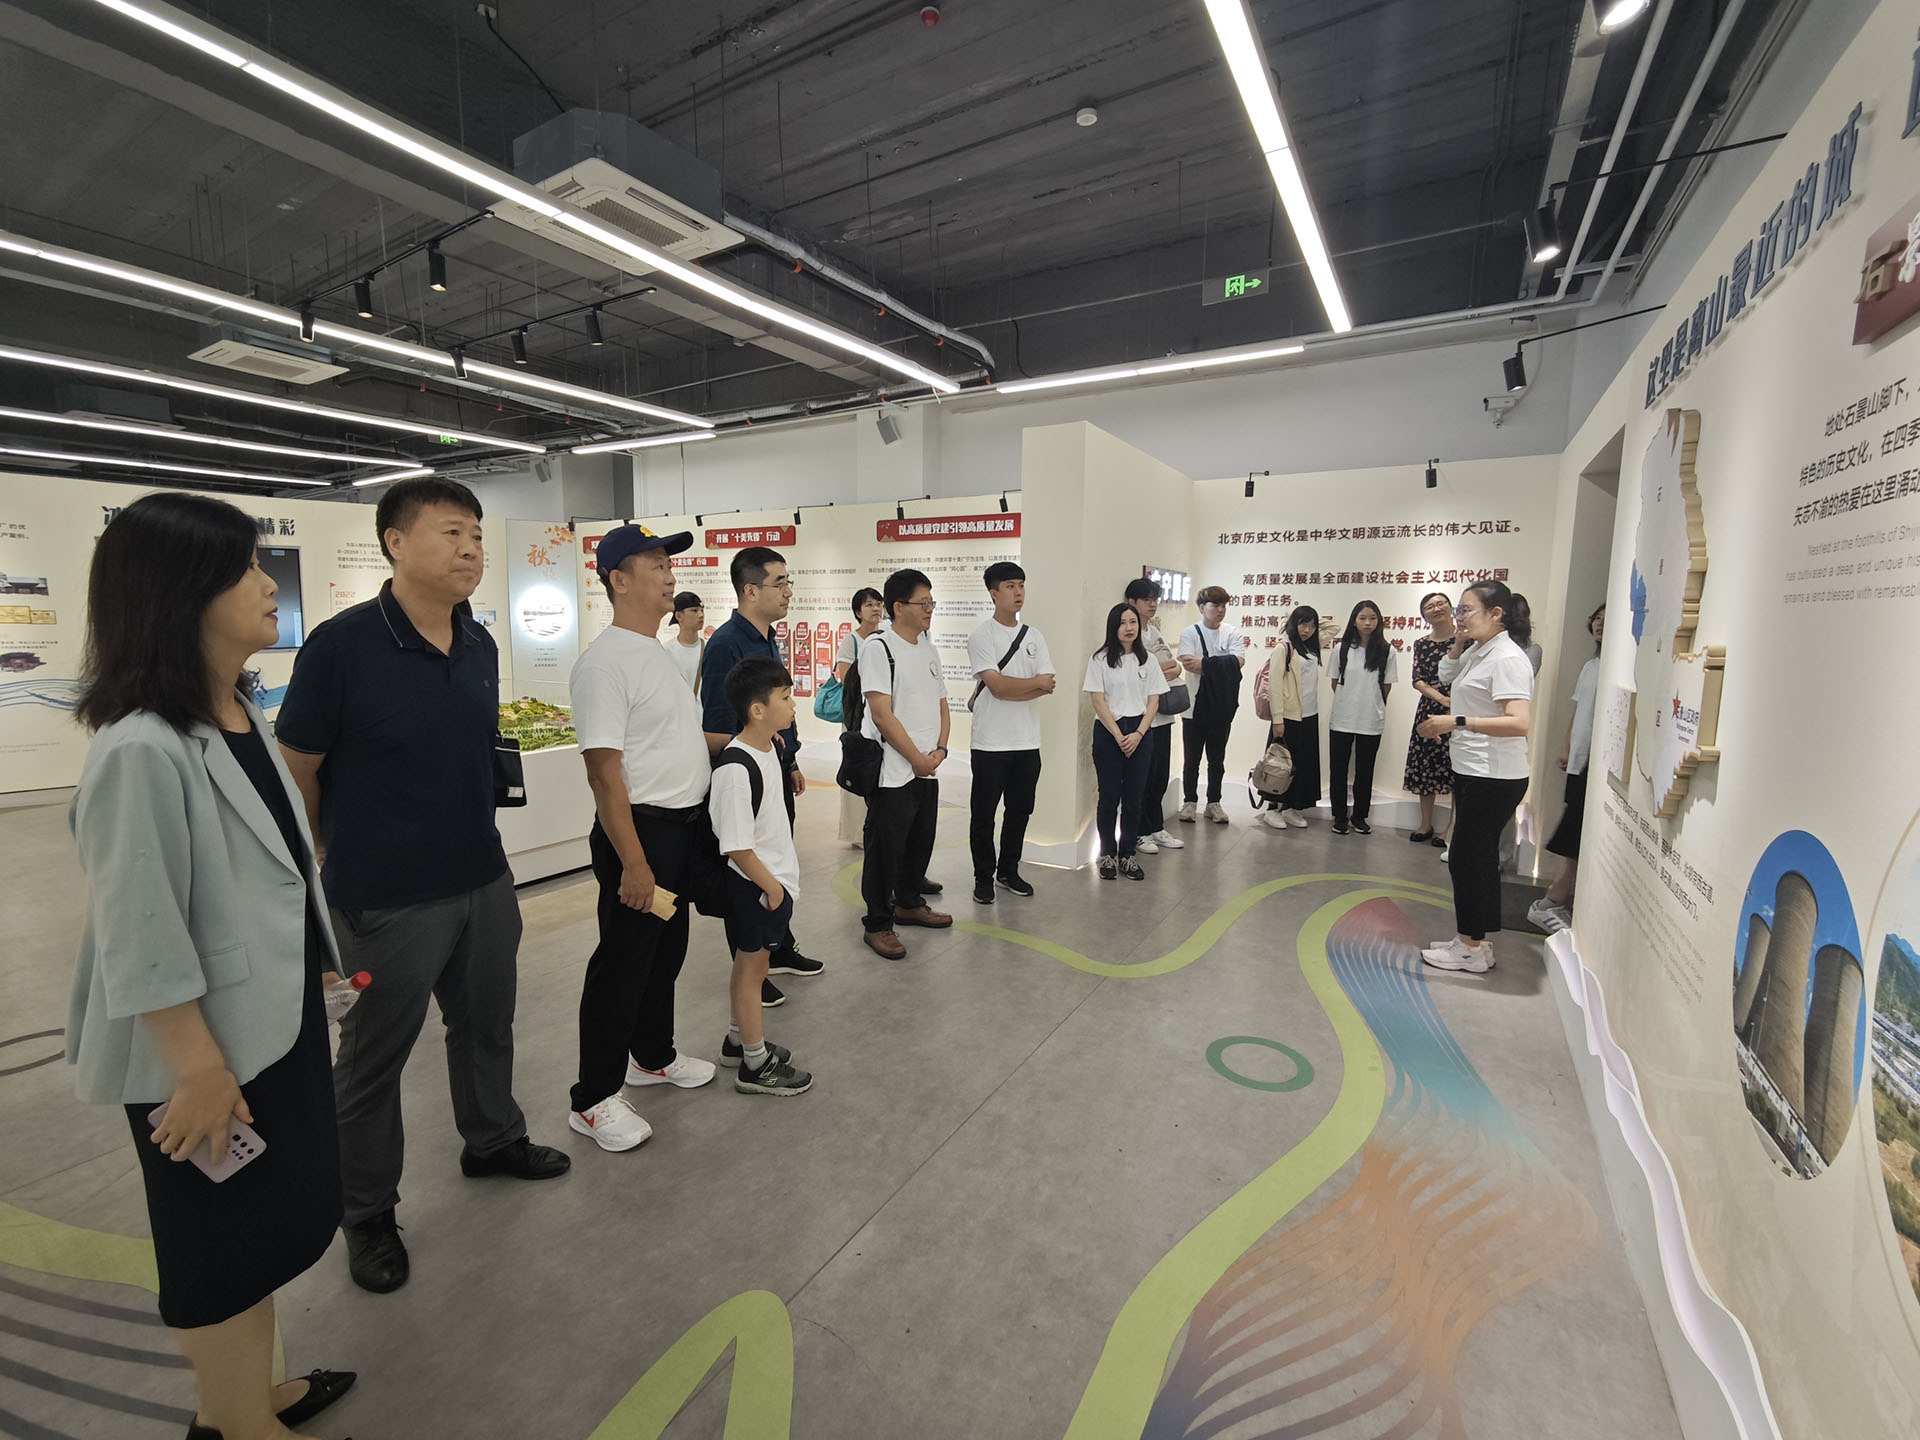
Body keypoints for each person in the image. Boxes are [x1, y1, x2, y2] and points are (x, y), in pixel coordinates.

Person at [68, 493, 354, 1440]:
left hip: (268, 1024)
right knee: (217, 1249)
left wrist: (317, 971)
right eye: (246, 569)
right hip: (204, 1054)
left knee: (262, 1230)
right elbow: (139, 931)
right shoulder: (140, 749)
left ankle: (243, 1398)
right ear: (182, 592)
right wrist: (196, 1068)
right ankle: (235, 1423)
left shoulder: (238, 713)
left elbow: (276, 872)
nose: (270, 584)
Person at [277, 477, 567, 1297]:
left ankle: (492, 1140)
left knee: (486, 1026)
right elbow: (298, 769)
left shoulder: (478, 643)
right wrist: (327, 855)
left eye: (476, 533)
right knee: (372, 1062)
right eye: (451, 532)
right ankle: (367, 1212)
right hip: (385, 896)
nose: (471, 548)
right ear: (395, 543)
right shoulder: (341, 646)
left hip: (483, 877)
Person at [566, 524, 724, 1153]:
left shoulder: (655, 652)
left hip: (681, 832)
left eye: (668, 563)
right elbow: (604, 773)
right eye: (655, 564)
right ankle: (593, 1098)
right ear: (619, 579)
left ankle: (652, 1057)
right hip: (640, 835)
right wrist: (633, 863)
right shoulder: (603, 663)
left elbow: (669, 742)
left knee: (666, 954)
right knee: (622, 965)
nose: (669, 574)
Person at [700, 546, 823, 998]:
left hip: (774, 770)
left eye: (789, 582)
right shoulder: (725, 645)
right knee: (748, 870)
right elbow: (717, 728)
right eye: (780, 583)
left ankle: (778, 946)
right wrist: (759, 757)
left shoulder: (767, 636)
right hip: (747, 779)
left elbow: (776, 713)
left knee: (776, 856)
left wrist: (789, 760)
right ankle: (752, 966)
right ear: (750, 590)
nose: (788, 592)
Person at [1417, 581, 1535, 975]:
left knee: (1467, 860)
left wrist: (1456, 721)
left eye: (1466, 610)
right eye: (1459, 610)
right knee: (1475, 859)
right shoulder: (1479, 650)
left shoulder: (1507, 658)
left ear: (1496, 613)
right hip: (1474, 769)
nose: (1458, 617)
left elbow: (1519, 722)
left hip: (1493, 775)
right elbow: (1446, 672)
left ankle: (1469, 947)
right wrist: (1459, 641)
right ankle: (1476, 942)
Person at [710, 658, 815, 1096]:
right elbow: (736, 844)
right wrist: (772, 888)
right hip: (757, 887)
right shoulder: (736, 770)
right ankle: (755, 1063)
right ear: (757, 709)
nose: (794, 705)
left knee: (748, 965)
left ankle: (739, 1040)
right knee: (753, 971)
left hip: (771, 883)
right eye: (785, 698)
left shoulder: (769, 746)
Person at [858, 568, 952, 959]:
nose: (930, 609)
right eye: (922, 603)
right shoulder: (879, 648)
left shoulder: (928, 647)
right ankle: (878, 924)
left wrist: (940, 750)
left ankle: (909, 903)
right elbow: (882, 715)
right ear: (898, 607)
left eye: (932, 602)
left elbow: (942, 703)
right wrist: (916, 759)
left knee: (919, 840)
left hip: (926, 767)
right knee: (885, 851)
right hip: (893, 771)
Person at [966, 561, 1056, 905]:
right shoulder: (982, 636)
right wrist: (1030, 685)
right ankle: (982, 877)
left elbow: (1048, 685)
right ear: (993, 593)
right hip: (990, 743)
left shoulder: (1035, 636)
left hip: (1027, 742)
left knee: (1020, 811)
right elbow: (998, 687)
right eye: (1009, 586)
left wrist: (1018, 687)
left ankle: (1008, 871)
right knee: (984, 815)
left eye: (1021, 585)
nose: (1018, 592)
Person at [1530, 603, 1604, 933]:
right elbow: (1579, 711)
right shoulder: (1591, 666)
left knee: (1575, 830)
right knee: (1574, 826)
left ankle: (1555, 897)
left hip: (1597, 765)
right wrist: (1566, 747)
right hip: (1580, 761)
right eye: (1597, 619)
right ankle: (1555, 900)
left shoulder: (1615, 667)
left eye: (1607, 620)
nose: (1600, 624)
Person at [1084, 602, 1169, 879]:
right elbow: (1098, 701)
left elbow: (1154, 701)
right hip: (1109, 732)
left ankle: (1128, 854)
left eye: (1133, 622)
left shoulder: (1149, 660)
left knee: (1134, 797)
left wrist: (1139, 734)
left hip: (1140, 732)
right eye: (1122, 623)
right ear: (1113, 627)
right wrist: (1119, 735)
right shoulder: (1100, 659)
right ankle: (1107, 854)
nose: (1129, 628)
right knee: (1109, 797)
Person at [1324, 600, 1397, 836]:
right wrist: (1349, 701)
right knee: (1338, 770)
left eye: (1372, 618)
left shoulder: (1387, 651)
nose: (1368, 623)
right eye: (1362, 618)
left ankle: (1359, 817)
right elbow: (1335, 682)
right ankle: (1339, 816)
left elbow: (1386, 686)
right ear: (1354, 621)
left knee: (1365, 771)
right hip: (1342, 719)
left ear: (1379, 621)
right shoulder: (1341, 649)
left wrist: (1371, 704)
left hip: (1371, 720)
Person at [1125, 578, 1186, 854]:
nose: (1153, 604)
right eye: (1147, 599)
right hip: (1141, 718)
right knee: (1143, 778)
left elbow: (1176, 667)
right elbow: (1138, 673)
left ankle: (1155, 827)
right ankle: (1139, 833)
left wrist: (1164, 669)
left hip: (1163, 716)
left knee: (1160, 776)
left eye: (1155, 599)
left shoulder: (1155, 632)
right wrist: (1162, 670)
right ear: (1132, 602)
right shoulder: (1129, 635)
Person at [1176, 586, 1246, 824]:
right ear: (1201, 608)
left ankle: (1213, 802)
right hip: (1194, 705)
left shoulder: (1232, 632)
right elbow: (1189, 664)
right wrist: (1223, 665)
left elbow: (1239, 662)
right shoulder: (1190, 633)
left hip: (1222, 706)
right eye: (1215, 605)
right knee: (1192, 759)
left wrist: (1205, 663)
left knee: (1217, 759)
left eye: (1224, 605)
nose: (1220, 610)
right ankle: (1189, 802)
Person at [1403, 592, 1457, 846]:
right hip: (1430, 707)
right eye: (1429, 606)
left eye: (1440, 604)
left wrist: (1452, 701)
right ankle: (1425, 824)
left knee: (1457, 768)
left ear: (1450, 608)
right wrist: (1442, 699)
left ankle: (1451, 829)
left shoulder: (1466, 639)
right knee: (1425, 767)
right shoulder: (1422, 643)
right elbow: (1418, 680)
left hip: (1461, 708)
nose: (1436, 609)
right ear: (1424, 615)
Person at [835, 587, 885, 849]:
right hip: (857, 717)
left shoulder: (887, 636)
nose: (875, 609)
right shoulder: (851, 640)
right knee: (858, 769)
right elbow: (847, 680)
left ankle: (876, 828)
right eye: (869, 605)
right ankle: (858, 833)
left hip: (881, 715)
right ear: (858, 612)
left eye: (878, 603)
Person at [1270, 606, 1324, 827]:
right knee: (1279, 764)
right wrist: (1278, 719)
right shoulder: (1284, 648)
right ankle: (1272, 808)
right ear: (1294, 623)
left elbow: (1334, 627)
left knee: (1301, 765)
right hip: (1288, 717)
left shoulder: (1311, 647)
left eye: (1312, 626)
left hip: (1309, 715)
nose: (1307, 630)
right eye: (1303, 624)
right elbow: (1274, 686)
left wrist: (1311, 622)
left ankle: (1290, 808)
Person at [667, 591, 706, 693]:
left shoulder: (709, 649)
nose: (701, 615)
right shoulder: (666, 651)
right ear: (679, 616)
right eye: (694, 610)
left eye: (702, 610)